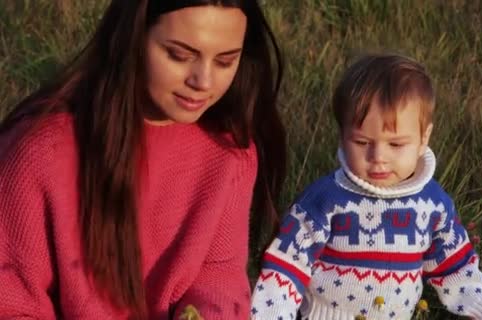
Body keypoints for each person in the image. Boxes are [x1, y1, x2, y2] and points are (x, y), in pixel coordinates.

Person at [0, 1, 286, 319]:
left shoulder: (230, 150)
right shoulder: (40, 152)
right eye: (179, 55)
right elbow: (10, 301)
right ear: (133, 39)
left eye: (224, 61)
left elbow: (219, 273)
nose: (203, 81)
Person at [250, 54, 482, 320]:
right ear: (342, 138)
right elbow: (285, 267)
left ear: (424, 139)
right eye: (362, 143)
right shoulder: (326, 200)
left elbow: (453, 263)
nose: (378, 157)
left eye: (396, 145)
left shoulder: (433, 203)